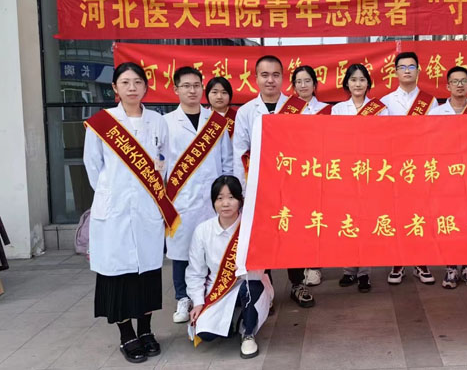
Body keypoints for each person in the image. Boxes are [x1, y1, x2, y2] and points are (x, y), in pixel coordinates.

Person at [83, 62, 170, 363]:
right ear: (115, 88)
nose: (132, 87)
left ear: (146, 86)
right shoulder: (102, 122)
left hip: (147, 210)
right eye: (125, 82)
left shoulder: (157, 121)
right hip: (115, 211)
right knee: (118, 275)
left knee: (147, 272)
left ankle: (145, 330)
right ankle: (126, 334)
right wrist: (114, 193)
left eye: (137, 82)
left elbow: (165, 161)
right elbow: (93, 167)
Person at [232, 55, 315, 309]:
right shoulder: (246, 112)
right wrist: (241, 193)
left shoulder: (299, 108)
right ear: (256, 78)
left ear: (283, 78)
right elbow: (239, 154)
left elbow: (309, 147)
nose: (270, 80)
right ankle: (264, 291)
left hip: (292, 186)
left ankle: (298, 283)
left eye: (276, 75)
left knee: (294, 236)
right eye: (265, 75)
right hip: (260, 189)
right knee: (263, 239)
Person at [165, 66, 233, 324]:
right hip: (180, 199)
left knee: (213, 249)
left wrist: (227, 195)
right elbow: (161, 164)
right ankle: (183, 298)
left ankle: (211, 294)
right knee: (181, 252)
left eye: (196, 85)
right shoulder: (166, 123)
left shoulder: (215, 122)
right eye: (186, 86)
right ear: (176, 89)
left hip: (212, 200)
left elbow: (227, 161)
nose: (192, 90)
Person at [187, 175, 273, 359]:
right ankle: (235, 318)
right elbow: (195, 272)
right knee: (206, 334)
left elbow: (258, 270)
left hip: (248, 283)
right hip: (218, 289)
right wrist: (198, 302)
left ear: (240, 200)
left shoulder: (251, 229)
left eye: (231, 197)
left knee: (251, 288)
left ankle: (248, 333)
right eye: (220, 198)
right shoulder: (203, 231)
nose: (225, 203)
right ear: (213, 202)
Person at [380, 51, 437, 286]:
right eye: (402, 67)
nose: (406, 71)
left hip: (421, 164)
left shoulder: (430, 101)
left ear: (418, 71)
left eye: (411, 66)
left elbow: (435, 133)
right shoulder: (385, 101)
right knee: (396, 213)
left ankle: (421, 261)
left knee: (421, 213)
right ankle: (398, 261)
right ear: (395, 72)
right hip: (394, 165)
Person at [331, 63, 388, 292]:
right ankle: (348, 270)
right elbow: (335, 140)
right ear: (347, 83)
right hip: (346, 171)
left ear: (368, 83)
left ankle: (365, 272)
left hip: (370, 171)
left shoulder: (380, 109)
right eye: (353, 79)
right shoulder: (338, 110)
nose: (357, 84)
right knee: (348, 220)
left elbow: (384, 140)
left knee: (366, 221)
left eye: (362, 80)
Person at [429, 66, 467, 289]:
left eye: (463, 81)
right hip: (445, 178)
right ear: (448, 86)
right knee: (449, 222)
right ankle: (451, 267)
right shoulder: (436, 113)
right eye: (455, 81)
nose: (459, 85)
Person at [292, 65, 331, 286]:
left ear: (315, 84)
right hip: (295, 173)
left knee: (318, 220)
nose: (303, 85)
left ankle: (315, 265)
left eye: (307, 81)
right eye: (299, 81)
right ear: (294, 86)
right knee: (299, 220)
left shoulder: (327, 110)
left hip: (321, 171)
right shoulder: (286, 110)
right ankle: (301, 263)